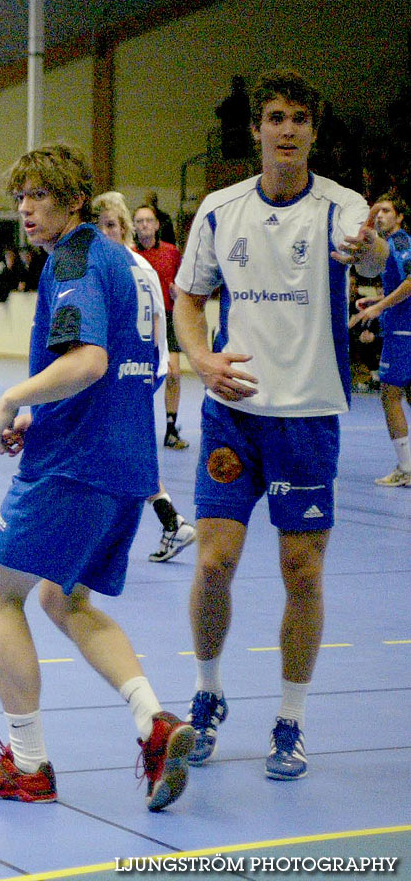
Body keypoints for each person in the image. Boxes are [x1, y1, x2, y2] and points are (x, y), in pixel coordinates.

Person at [0, 145, 194, 812]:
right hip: (126, 466)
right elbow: (119, 370)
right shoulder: (126, 264)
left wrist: (13, 401)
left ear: (73, 200)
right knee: (67, 601)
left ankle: (27, 765)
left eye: (40, 195)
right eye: (20, 196)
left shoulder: (76, 259)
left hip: (75, 466)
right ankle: (154, 724)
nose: (27, 208)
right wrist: (48, 415)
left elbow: (87, 361)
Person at [172, 68, 387, 781]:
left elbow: (376, 258)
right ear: (257, 130)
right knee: (213, 562)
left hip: (309, 418)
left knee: (302, 571)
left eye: (300, 117)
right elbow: (190, 300)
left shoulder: (342, 208)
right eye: (274, 117)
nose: (287, 128)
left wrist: (374, 253)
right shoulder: (220, 209)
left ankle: (290, 720)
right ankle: (206, 697)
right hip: (234, 412)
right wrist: (201, 361)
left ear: (314, 132)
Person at [91, 192, 198, 563]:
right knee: (126, 452)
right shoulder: (126, 265)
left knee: (115, 451)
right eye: (98, 226)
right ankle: (170, 521)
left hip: (126, 373)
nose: (104, 233)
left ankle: (109, 537)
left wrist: (156, 366)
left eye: (110, 226)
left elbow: (156, 321)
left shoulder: (122, 268)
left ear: (123, 229)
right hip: (130, 373)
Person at [349, 192, 411, 485]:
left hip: (404, 330)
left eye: (387, 211)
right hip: (399, 326)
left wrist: (378, 306)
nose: (381, 216)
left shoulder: (401, 243)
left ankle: (407, 468)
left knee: (389, 395)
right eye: (379, 211)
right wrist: (375, 298)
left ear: (399, 217)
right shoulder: (391, 247)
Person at [134, 201, 189, 450]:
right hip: (140, 322)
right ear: (134, 226)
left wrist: (179, 293)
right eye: (139, 221)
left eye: (149, 220)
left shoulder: (171, 252)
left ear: (157, 225)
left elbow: (183, 284)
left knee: (173, 373)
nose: (144, 224)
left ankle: (170, 429)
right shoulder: (130, 254)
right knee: (138, 377)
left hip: (168, 318)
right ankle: (134, 429)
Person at [216, 75, 252, 160]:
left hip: (238, 135)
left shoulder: (231, 102)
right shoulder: (246, 101)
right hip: (238, 135)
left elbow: (219, 112)